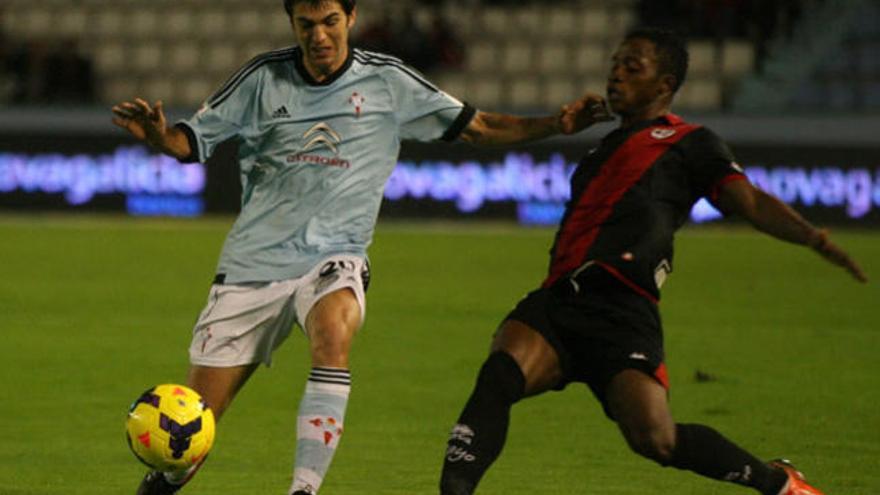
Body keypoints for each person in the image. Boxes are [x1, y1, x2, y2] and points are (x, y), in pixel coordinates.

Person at [110, 1, 605, 494]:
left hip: (334, 256)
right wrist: (159, 137)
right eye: (307, 25)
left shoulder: (388, 82)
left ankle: (303, 489)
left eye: (329, 22)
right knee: (189, 435)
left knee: (332, 332)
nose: (319, 36)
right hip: (251, 267)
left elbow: (478, 127)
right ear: (293, 24)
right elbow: (188, 142)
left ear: (350, 17)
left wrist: (556, 125)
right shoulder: (262, 79)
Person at [438, 27, 867, 495]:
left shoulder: (690, 142)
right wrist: (562, 122)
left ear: (664, 84)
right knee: (499, 373)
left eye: (632, 67)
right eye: (615, 65)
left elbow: (750, 202)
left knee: (656, 440)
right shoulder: (599, 149)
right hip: (560, 302)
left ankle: (780, 484)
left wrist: (814, 238)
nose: (616, 75)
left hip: (624, 307)